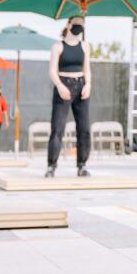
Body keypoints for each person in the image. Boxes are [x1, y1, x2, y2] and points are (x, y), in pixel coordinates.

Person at [46, 15, 92, 178]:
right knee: (57, 127)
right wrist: (59, 85)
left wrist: (88, 84)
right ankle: (51, 165)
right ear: (69, 24)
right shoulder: (58, 46)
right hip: (63, 84)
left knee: (84, 128)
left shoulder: (85, 46)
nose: (79, 26)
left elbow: (87, 69)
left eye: (82, 24)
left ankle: (82, 165)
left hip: (81, 85)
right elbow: (52, 70)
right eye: (76, 24)